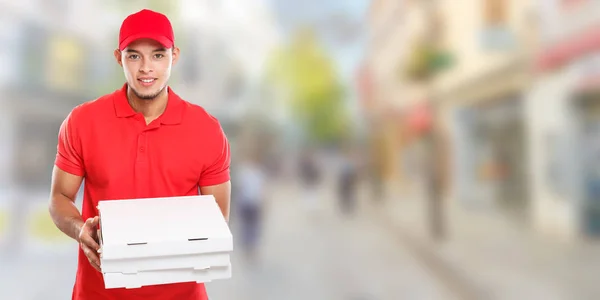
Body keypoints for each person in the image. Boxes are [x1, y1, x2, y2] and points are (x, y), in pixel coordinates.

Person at [48, 9, 231, 300]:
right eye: (134, 56)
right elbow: (59, 198)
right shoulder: (82, 121)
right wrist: (80, 228)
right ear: (119, 57)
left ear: (175, 56)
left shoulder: (206, 130)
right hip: (98, 293)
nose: (146, 68)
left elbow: (217, 217)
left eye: (158, 55)